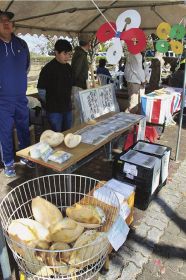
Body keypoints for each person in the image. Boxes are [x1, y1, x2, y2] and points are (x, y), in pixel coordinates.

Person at [0, 10, 34, 177]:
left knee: (23, 129)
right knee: (5, 132)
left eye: (9, 21)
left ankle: (26, 156)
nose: (6, 23)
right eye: (2, 21)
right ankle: (8, 163)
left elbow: (26, 67)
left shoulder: (22, 44)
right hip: (2, 101)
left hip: (20, 97)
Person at [37, 39, 73, 132]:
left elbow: (71, 87)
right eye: (65, 54)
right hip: (54, 110)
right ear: (56, 52)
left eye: (69, 54)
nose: (67, 57)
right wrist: (49, 102)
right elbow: (41, 90)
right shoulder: (48, 69)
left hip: (67, 108)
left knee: (68, 132)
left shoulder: (69, 68)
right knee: (57, 134)